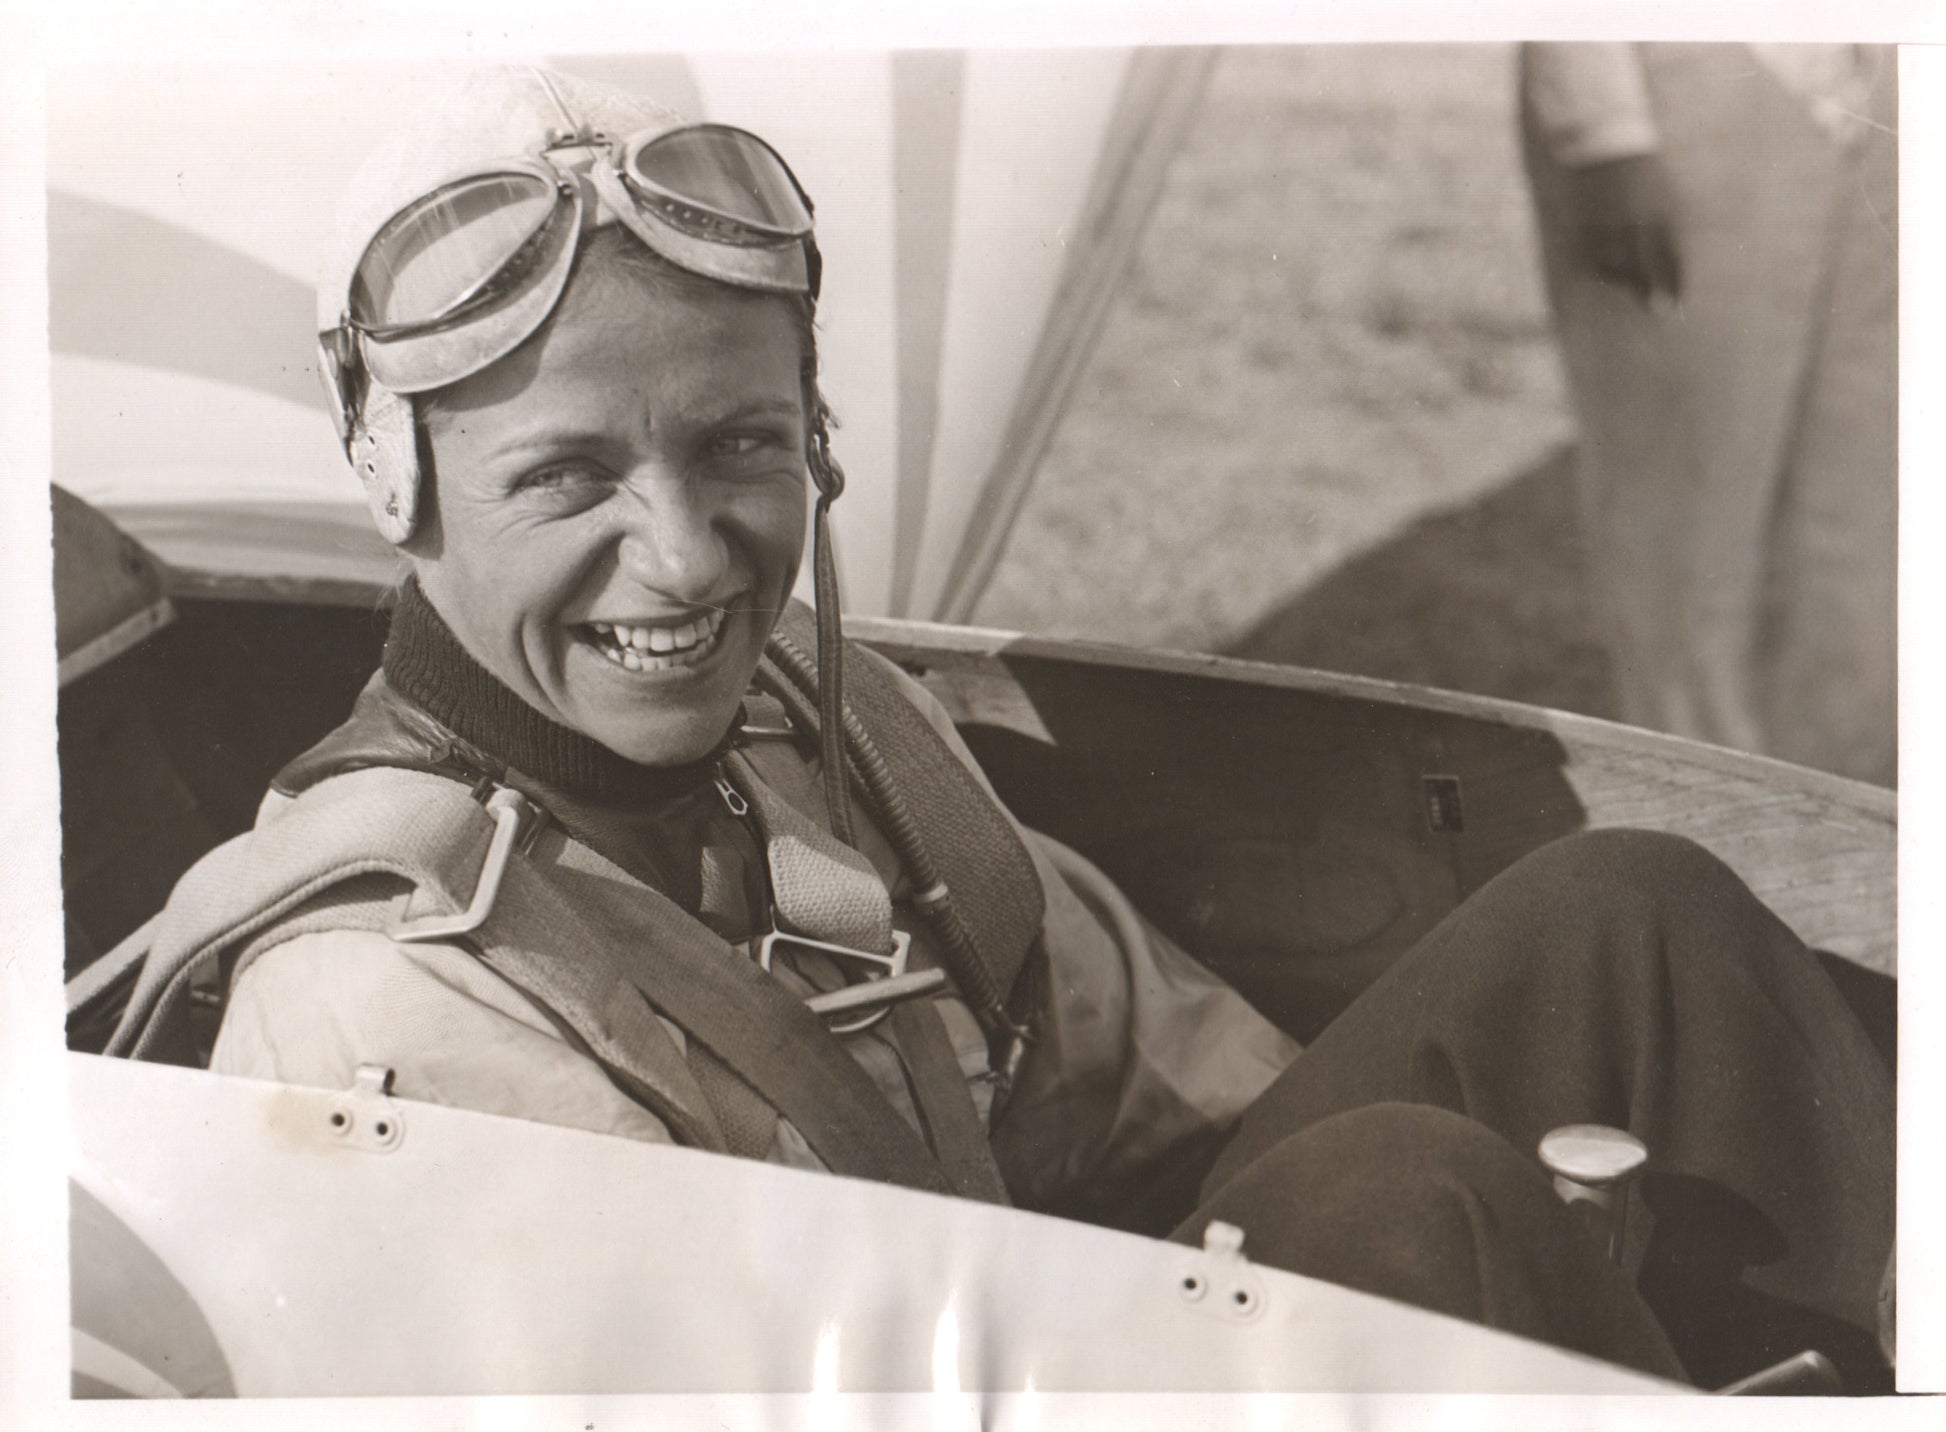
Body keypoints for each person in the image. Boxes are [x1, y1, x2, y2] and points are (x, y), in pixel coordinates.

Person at [109, 66, 1893, 1391]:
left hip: (1024, 1320)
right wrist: (1407, 1255)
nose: (682, 554)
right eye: (567, 471)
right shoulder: (384, 991)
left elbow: (1165, 1093)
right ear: (394, 478)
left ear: (809, 435)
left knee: (1626, 922)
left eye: (736, 444)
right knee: (1409, 1198)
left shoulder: (827, 726)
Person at [1518, 43, 1896, 787]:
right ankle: (1700, 847)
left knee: (1867, 528)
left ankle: (1837, 852)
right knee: (1687, 533)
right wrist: (1600, 130)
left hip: (1892, 91)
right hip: (1699, 82)